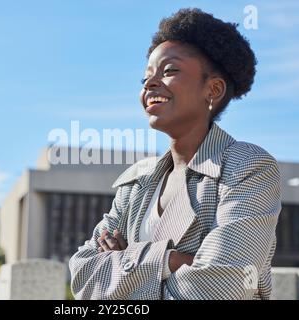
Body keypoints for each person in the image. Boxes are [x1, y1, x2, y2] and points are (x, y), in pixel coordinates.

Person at [69, 8, 282, 300]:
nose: (150, 83)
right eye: (146, 76)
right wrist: (170, 259)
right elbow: (83, 276)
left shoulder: (247, 167)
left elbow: (225, 287)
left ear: (214, 89)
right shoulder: (136, 184)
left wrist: (125, 264)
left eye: (169, 71)